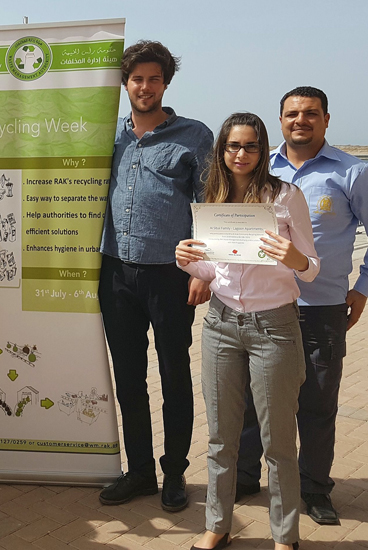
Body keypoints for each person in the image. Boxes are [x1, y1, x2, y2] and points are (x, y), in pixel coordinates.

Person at [177, 112, 319, 550]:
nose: (241, 154)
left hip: (273, 327)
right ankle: (218, 525)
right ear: (221, 150)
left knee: (278, 443)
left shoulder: (285, 196)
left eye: (251, 146)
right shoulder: (213, 197)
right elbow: (212, 268)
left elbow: (312, 269)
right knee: (220, 438)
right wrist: (186, 260)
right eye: (233, 146)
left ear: (262, 150)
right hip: (220, 325)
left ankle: (285, 536)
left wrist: (293, 256)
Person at [236, 87, 368, 525]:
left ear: (327, 120)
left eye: (311, 114)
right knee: (256, 402)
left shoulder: (351, 172)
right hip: (263, 307)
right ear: (280, 121)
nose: (301, 121)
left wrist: (363, 287)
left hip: (321, 307)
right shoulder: (257, 166)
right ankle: (243, 478)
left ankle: (315, 490)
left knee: (316, 403)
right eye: (292, 113)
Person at [98, 40, 214, 511]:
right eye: (136, 78)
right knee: (127, 377)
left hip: (172, 275)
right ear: (125, 84)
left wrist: (204, 271)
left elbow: (209, 206)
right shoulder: (107, 136)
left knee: (173, 376)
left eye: (153, 78)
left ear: (165, 83)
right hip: (116, 273)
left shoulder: (195, 135)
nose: (144, 87)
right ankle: (140, 471)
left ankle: (174, 473)